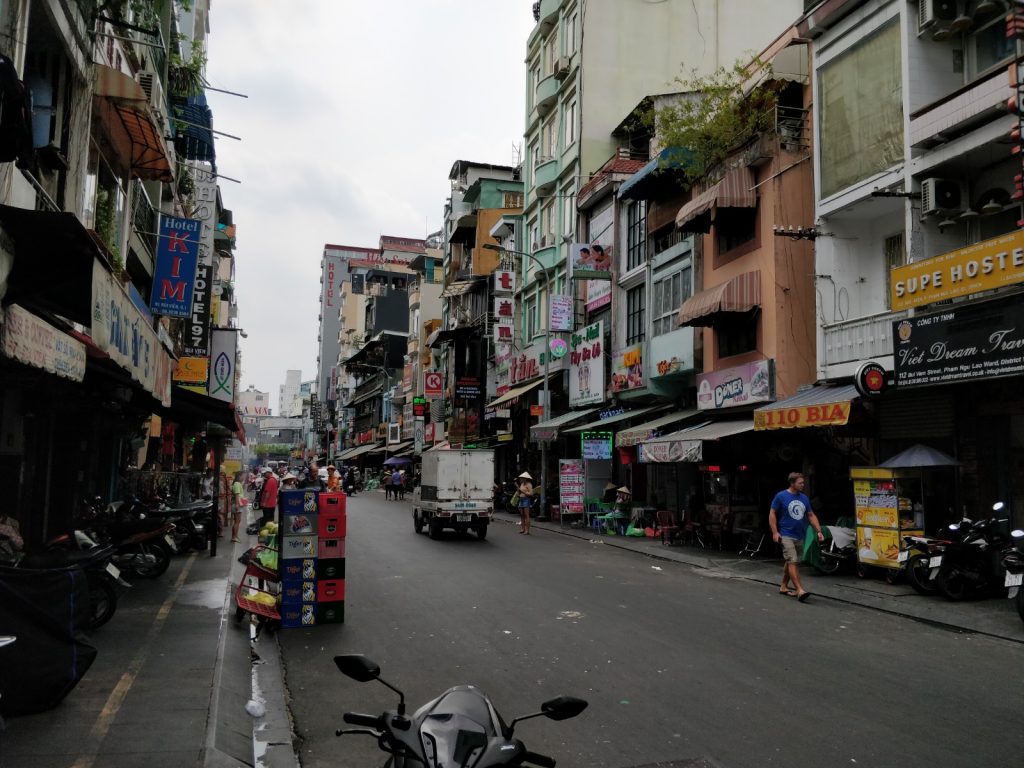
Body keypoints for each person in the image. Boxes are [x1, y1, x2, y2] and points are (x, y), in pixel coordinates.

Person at [768, 471, 824, 602]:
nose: (803, 485)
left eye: (803, 482)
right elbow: (772, 513)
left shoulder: (804, 498)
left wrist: (819, 531)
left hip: (800, 535)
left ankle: (783, 586)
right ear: (792, 483)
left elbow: (810, 515)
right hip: (786, 534)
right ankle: (799, 590)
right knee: (792, 561)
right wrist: (775, 532)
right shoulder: (781, 496)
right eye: (800, 483)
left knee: (792, 561)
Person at [229, 471, 246, 543]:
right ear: (239, 476)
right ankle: (234, 537)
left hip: (237, 504)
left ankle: (235, 536)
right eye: (243, 476)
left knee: (237, 521)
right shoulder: (237, 484)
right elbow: (237, 495)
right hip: (237, 505)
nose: (244, 477)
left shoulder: (237, 484)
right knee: (237, 521)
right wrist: (237, 505)